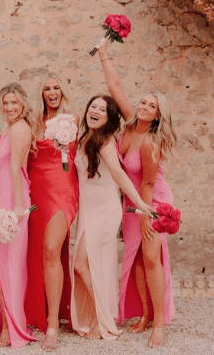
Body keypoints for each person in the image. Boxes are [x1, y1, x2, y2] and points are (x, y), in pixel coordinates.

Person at [98, 41, 177, 347]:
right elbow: (114, 84)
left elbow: (146, 183)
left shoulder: (150, 142)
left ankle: (159, 323)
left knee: (151, 257)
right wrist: (103, 53)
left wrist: (146, 214)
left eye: (150, 106)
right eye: (143, 103)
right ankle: (144, 313)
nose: (143, 108)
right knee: (136, 261)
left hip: (152, 202)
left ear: (157, 116)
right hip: (134, 200)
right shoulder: (131, 122)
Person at [70, 95, 153, 341]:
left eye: (102, 110)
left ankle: (101, 319)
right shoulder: (85, 137)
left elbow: (117, 173)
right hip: (88, 210)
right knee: (92, 264)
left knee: (82, 263)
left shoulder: (104, 139)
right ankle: (98, 315)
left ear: (109, 117)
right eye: (92, 106)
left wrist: (139, 202)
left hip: (105, 209)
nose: (94, 111)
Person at [25, 73, 79, 351]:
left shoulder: (74, 120)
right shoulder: (32, 123)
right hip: (37, 193)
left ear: (63, 91)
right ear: (42, 94)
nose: (52, 92)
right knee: (38, 253)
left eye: (56, 87)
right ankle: (38, 311)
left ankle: (53, 322)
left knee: (50, 249)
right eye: (47, 89)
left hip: (63, 190)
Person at [0, 83, 37, 348]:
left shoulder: (20, 128)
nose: (9, 108)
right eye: (5, 103)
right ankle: (7, 321)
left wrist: (18, 208)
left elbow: (17, 169)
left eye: (14, 103)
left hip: (14, 203)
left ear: (23, 104)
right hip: (2, 200)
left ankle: (11, 326)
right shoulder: (7, 128)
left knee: (10, 267)